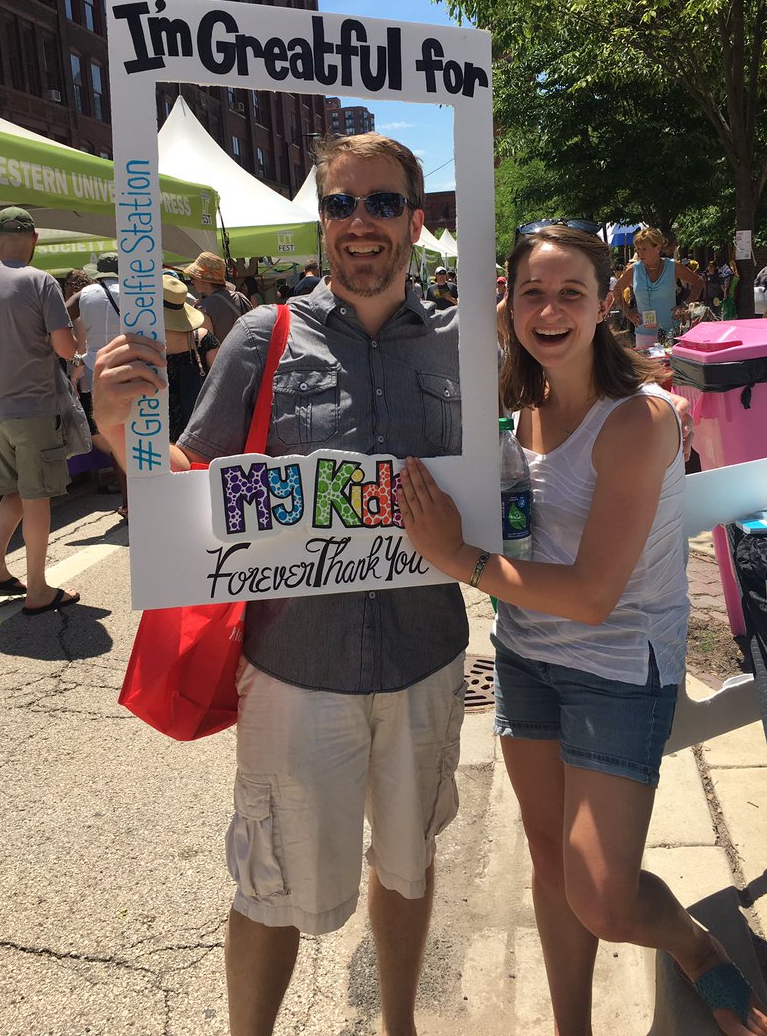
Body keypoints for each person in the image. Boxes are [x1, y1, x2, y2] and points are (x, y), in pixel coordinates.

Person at [92, 133, 467, 1036]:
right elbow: (191, 478)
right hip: (297, 670)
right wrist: (117, 433)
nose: (361, 223)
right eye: (341, 204)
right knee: (271, 885)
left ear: (416, 220)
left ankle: (400, 1025)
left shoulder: (465, 342)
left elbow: (524, 458)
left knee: (407, 864)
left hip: (426, 657)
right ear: (322, 222)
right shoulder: (265, 336)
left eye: (382, 203)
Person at [396, 223, 767, 1036]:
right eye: (531, 291)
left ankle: (694, 945)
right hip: (526, 659)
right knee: (547, 864)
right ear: (507, 305)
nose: (550, 309)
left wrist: (454, 556)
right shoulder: (516, 407)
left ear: (606, 302)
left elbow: (598, 595)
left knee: (601, 894)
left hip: (616, 666)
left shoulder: (638, 420)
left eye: (571, 292)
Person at [0, 207, 81, 615]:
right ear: (35, 239)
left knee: (15, 490)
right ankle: (39, 589)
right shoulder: (40, 281)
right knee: (37, 495)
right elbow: (65, 348)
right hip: (33, 405)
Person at [73, 254, 128, 519]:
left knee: (114, 437)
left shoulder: (86, 294)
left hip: (98, 373)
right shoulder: (133, 291)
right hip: (132, 366)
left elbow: (61, 313)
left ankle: (128, 502)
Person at [614, 227, 703, 348]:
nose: (640, 253)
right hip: (643, 334)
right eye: (638, 249)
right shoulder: (634, 269)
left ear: (657, 248)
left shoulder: (673, 266)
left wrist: (685, 305)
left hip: (671, 332)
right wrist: (628, 312)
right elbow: (616, 291)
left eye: (644, 249)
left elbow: (698, 282)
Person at [162, 274, 220, 443]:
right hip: (198, 425)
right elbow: (221, 378)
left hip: (157, 427)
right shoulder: (202, 338)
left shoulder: (145, 343)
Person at [183, 251, 251, 343]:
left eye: (193, 278)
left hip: (222, 357)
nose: (192, 282)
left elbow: (207, 347)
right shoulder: (240, 297)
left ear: (203, 280)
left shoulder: (203, 308)